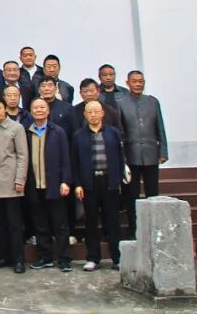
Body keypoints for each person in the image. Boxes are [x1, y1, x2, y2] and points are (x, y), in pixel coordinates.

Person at [73, 100, 125, 271]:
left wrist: (118, 180)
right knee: (91, 222)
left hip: (109, 182)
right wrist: (78, 184)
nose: (93, 115)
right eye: (90, 112)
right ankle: (93, 258)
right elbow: (75, 162)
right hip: (89, 183)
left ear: (103, 113)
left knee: (112, 222)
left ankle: (117, 258)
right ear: (85, 115)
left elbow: (120, 158)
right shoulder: (78, 135)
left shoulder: (113, 133)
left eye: (96, 111)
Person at [118, 70, 168, 236]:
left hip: (151, 154)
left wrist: (163, 151)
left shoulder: (152, 102)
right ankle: (134, 229)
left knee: (153, 193)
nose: (138, 84)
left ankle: (154, 229)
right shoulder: (121, 103)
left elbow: (160, 127)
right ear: (127, 83)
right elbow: (120, 131)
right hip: (131, 155)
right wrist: (122, 155)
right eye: (134, 81)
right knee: (131, 195)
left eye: (141, 81)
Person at [26, 98, 73, 272]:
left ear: (48, 111)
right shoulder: (27, 132)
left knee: (60, 225)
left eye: (42, 107)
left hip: (54, 185)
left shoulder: (58, 131)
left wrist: (65, 181)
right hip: (34, 186)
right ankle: (44, 257)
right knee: (40, 225)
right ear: (31, 111)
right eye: (35, 107)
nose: (39, 110)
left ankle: (64, 259)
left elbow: (65, 158)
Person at [0, 97, 29, 274]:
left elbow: (23, 156)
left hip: (11, 183)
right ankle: (5, 257)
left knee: (14, 224)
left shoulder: (16, 128)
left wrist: (20, 179)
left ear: (5, 109)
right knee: (1, 224)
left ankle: (19, 260)